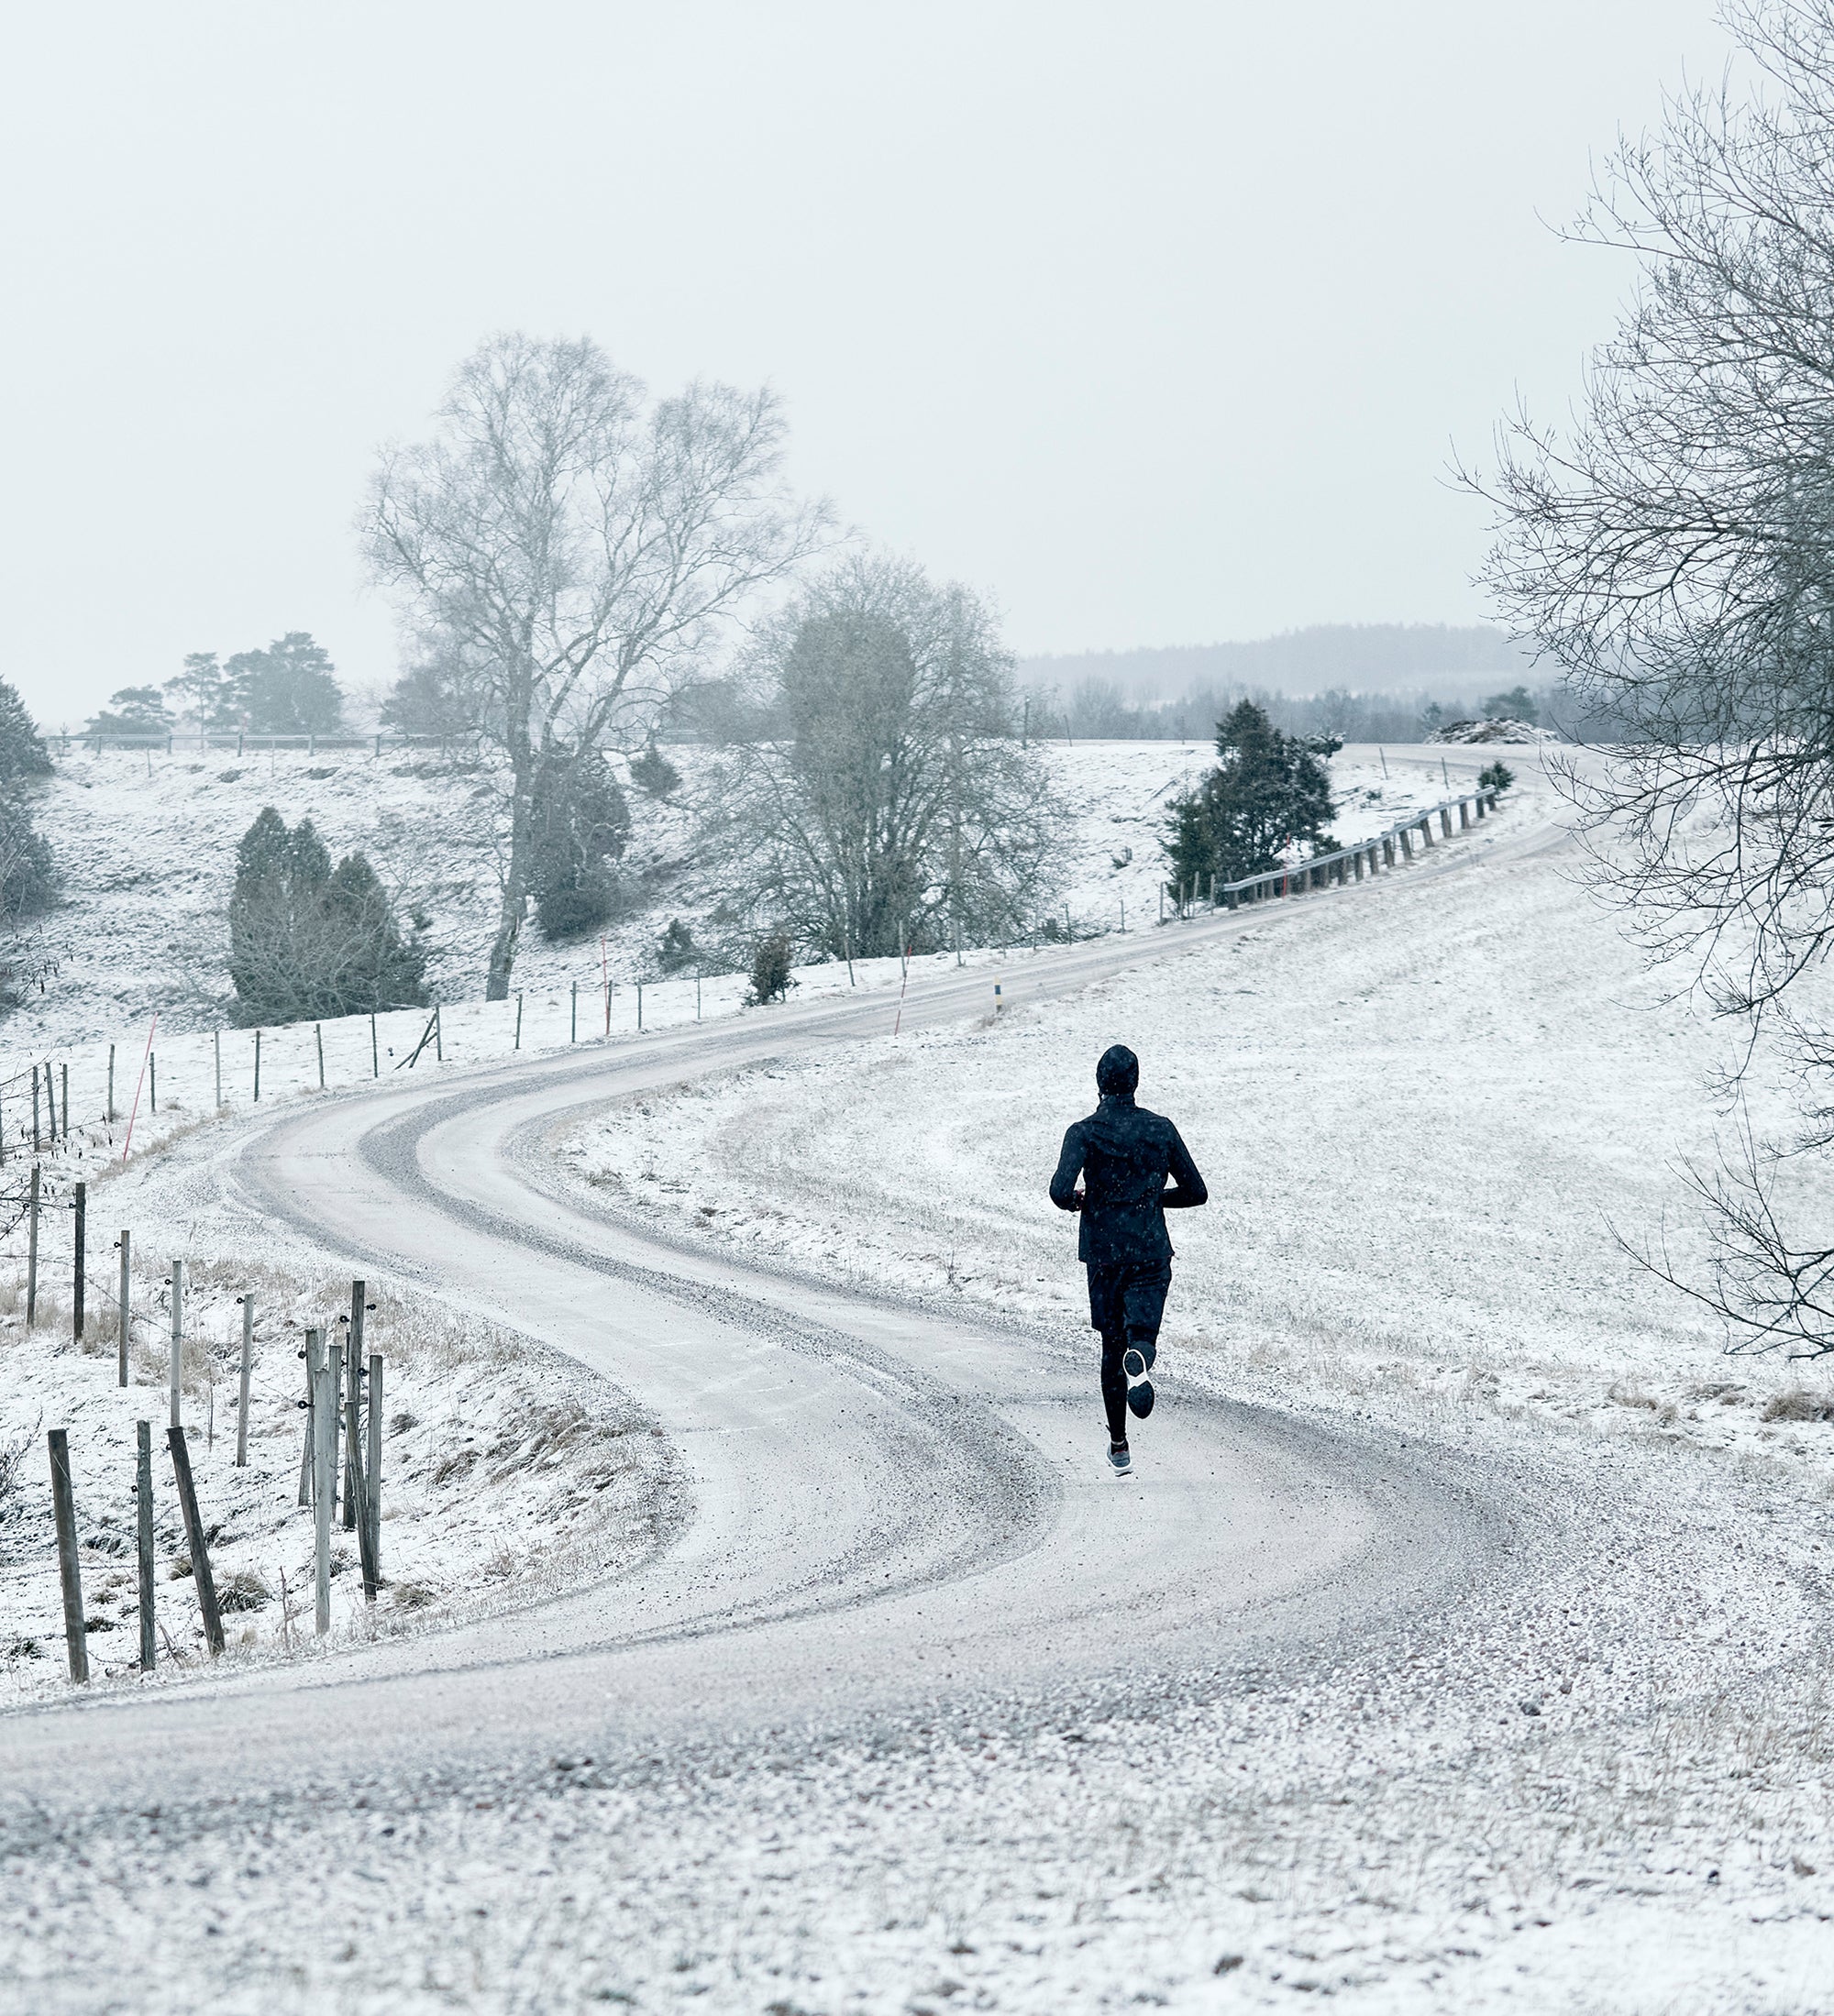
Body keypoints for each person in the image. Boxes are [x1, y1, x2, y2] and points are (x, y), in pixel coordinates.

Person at [1049, 1043, 1208, 1475]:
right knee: (1140, 1334)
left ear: (1099, 1083)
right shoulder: (1160, 1128)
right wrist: (1153, 1199)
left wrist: (1082, 1201)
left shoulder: (1082, 1132)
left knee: (1109, 1345)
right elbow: (1196, 1192)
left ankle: (1119, 1445)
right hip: (1149, 1248)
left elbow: (1060, 1191)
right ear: (1136, 1082)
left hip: (1103, 1254)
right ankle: (1142, 1354)